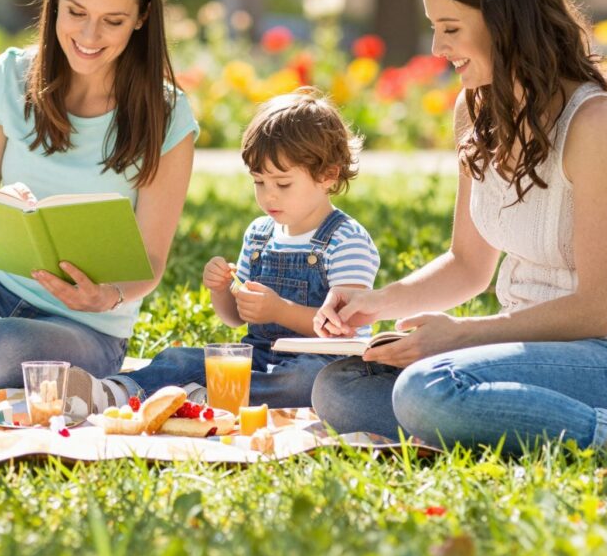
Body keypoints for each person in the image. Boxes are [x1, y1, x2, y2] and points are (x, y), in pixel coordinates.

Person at [310, 0, 607, 451]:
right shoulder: (474, 111)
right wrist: (373, 302)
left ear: (504, 22)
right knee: (339, 389)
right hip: (515, 346)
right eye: (434, 27)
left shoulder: (597, 123)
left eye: (451, 28)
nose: (437, 46)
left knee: (427, 388)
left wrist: (459, 337)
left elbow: (596, 309)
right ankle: (480, 416)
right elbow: (468, 265)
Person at [0, 0, 199, 394]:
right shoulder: (5, 79)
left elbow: (151, 262)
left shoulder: (167, 115)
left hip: (88, 324)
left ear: (141, 18)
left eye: (113, 21)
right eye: (75, 12)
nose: (90, 35)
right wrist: (0, 206)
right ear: (55, 1)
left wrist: (106, 296)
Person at [67, 88, 381, 412]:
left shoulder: (346, 240)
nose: (268, 196)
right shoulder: (260, 235)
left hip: (324, 362)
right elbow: (234, 318)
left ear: (328, 176)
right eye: (259, 182)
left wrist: (279, 311)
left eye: (283, 184)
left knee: (304, 380)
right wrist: (221, 290)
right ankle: (116, 391)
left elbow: (348, 327)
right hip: (258, 357)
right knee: (181, 358)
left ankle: (208, 398)